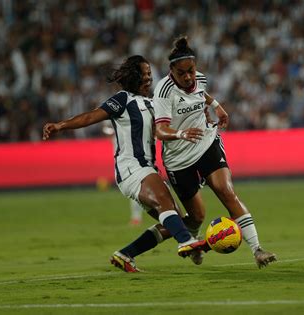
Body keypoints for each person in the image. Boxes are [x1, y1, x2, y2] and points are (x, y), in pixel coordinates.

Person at [42, 55, 206, 272]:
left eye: (150, 74)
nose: (149, 78)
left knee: (173, 222)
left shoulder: (152, 103)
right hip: (132, 168)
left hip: (148, 168)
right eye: (145, 74)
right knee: (168, 208)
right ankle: (187, 242)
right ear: (135, 77)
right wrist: (60, 125)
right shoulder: (122, 99)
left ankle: (125, 254)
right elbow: (91, 116)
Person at [153, 36, 277, 268]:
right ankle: (195, 242)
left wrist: (216, 107)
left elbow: (202, 94)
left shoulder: (199, 79)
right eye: (182, 73)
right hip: (178, 159)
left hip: (206, 143)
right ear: (171, 71)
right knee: (197, 216)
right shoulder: (163, 90)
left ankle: (257, 249)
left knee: (226, 191)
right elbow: (160, 130)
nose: (189, 77)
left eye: (191, 70)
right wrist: (181, 134)